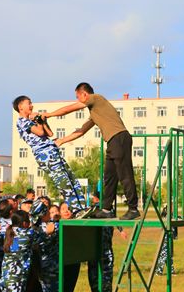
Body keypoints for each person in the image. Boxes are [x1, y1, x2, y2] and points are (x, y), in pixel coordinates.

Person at [41, 83, 140, 220]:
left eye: (78, 97)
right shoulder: (95, 112)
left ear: (84, 94)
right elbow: (81, 130)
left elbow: (70, 109)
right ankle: (106, 209)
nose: (78, 100)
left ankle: (133, 208)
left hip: (119, 138)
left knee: (124, 174)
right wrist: (62, 141)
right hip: (112, 142)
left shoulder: (96, 98)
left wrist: (49, 114)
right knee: (109, 177)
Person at [13, 95, 86, 216]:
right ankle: (76, 210)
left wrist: (41, 120)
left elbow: (50, 133)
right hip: (44, 154)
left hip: (52, 152)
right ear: (21, 107)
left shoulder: (32, 120)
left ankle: (83, 206)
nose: (32, 105)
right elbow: (40, 132)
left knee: (70, 178)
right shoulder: (22, 121)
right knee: (63, 182)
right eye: (29, 103)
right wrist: (37, 121)